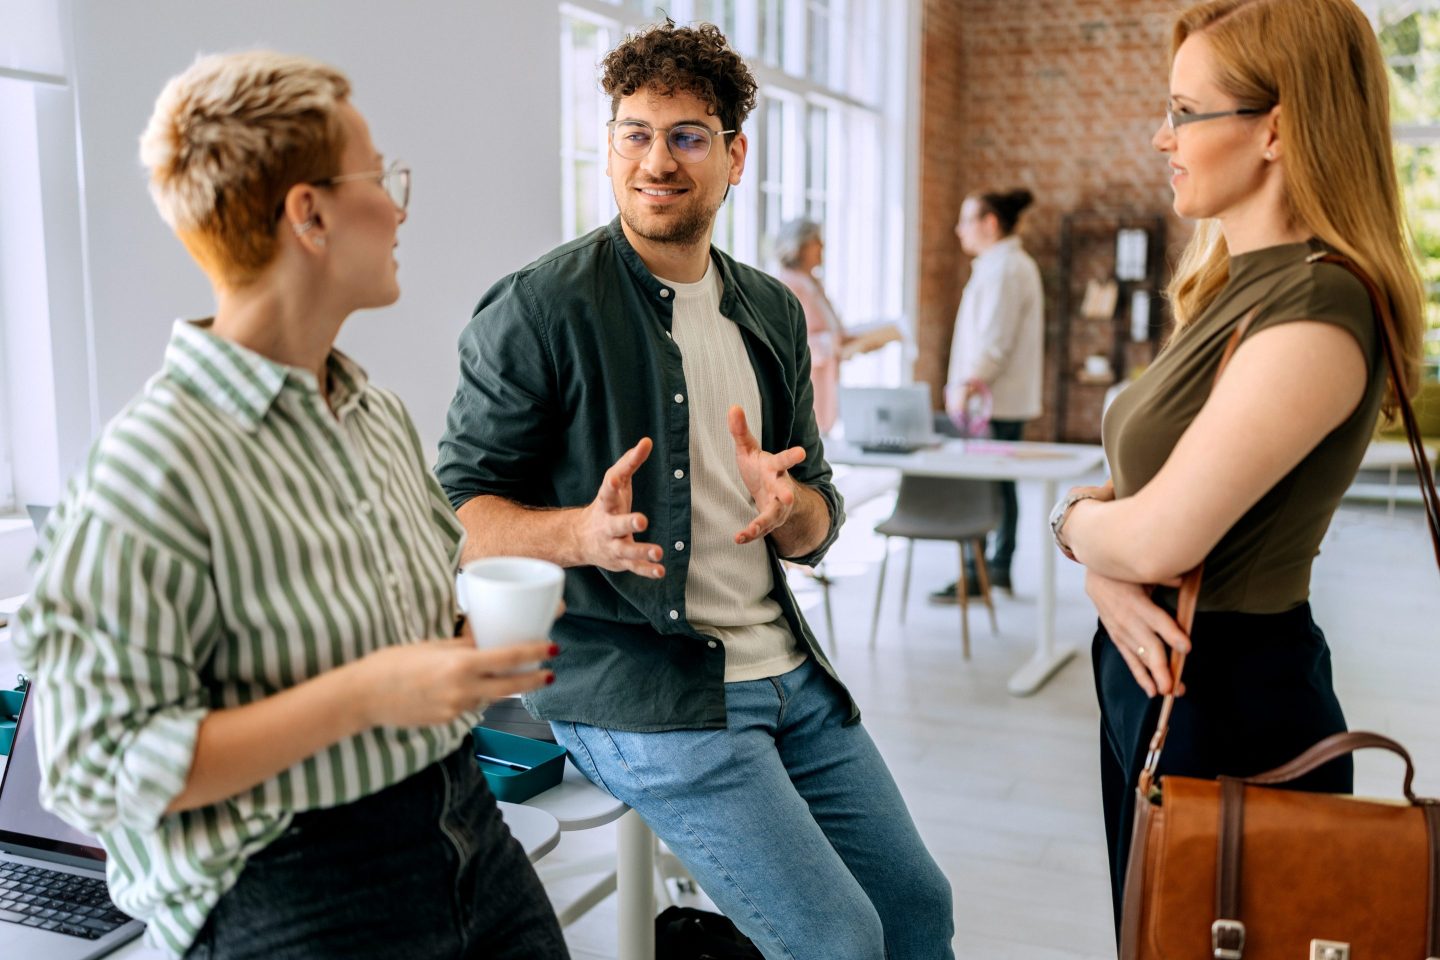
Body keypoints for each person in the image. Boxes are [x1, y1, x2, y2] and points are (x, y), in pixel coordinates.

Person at [13, 52, 568, 960]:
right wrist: (361, 697)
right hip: (295, 886)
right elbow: (92, 769)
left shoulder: (375, 414)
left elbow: (415, 622)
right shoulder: (151, 467)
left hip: (465, 827)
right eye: (378, 179)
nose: (396, 207)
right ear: (308, 214)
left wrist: (461, 656)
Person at [436, 21, 953, 960]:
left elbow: (817, 517)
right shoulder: (541, 307)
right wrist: (575, 538)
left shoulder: (770, 311)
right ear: (610, 147)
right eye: (635, 133)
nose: (657, 160)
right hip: (639, 687)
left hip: (788, 676)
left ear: (734, 156)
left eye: (686, 136)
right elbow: (457, 513)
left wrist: (791, 508)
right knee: (838, 939)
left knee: (918, 909)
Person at [1047, 0, 1426, 933]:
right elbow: (1142, 516)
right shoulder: (1234, 285)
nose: (1160, 136)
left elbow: (1162, 532)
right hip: (1161, 672)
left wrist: (1076, 532)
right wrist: (1106, 559)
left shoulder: (1317, 304)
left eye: (1184, 111)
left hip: (1229, 697)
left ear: (1276, 129)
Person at [930, 188, 1044, 601]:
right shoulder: (1000, 265)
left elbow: (995, 342)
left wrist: (966, 386)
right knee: (998, 485)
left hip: (991, 401)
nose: (959, 229)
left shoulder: (1006, 270)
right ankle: (992, 569)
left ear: (990, 223)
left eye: (966, 220)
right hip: (994, 398)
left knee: (985, 487)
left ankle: (982, 572)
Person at [773, 218, 848, 434]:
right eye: (817, 241)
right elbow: (786, 344)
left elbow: (832, 330)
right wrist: (829, 344)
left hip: (825, 388)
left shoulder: (814, 283)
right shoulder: (788, 285)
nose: (822, 247)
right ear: (800, 245)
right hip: (804, 389)